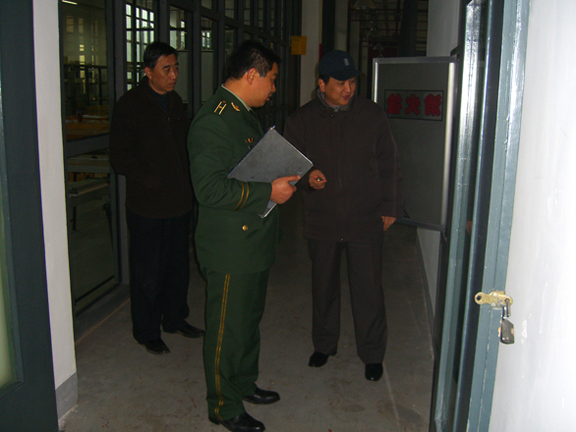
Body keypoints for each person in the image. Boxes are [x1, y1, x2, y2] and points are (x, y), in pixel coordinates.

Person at [187, 41, 299, 432]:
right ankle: (223, 404)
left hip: (252, 240)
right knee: (227, 329)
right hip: (230, 247)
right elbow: (209, 190)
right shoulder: (214, 121)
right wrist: (269, 191)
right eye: (272, 79)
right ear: (252, 75)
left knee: (248, 322)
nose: (273, 88)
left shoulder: (242, 114)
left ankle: (244, 382)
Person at [283, 50, 403, 382]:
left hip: (365, 218)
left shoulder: (371, 115)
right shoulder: (301, 120)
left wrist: (391, 206)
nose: (348, 89)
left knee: (369, 289)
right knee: (324, 287)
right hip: (322, 219)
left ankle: (373, 353)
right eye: (340, 83)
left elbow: (390, 161)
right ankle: (324, 345)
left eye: (352, 82)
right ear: (322, 84)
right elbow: (290, 165)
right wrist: (307, 177)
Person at [110, 42, 204, 356]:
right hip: (147, 207)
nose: (174, 74)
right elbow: (119, 156)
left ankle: (175, 318)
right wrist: (150, 178)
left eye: (176, 67)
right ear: (148, 72)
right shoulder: (130, 105)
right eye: (167, 69)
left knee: (178, 268)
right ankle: (147, 331)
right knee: (148, 272)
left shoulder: (175, 102)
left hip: (179, 203)